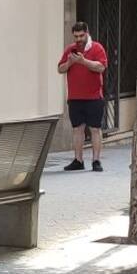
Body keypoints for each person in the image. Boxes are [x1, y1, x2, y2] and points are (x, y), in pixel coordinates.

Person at [58, 21, 109, 171]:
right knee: (77, 129)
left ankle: (96, 161)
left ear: (87, 33)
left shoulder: (97, 48)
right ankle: (78, 160)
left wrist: (83, 61)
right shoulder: (70, 49)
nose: (78, 39)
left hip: (94, 97)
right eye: (76, 36)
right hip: (75, 98)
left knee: (95, 129)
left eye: (81, 36)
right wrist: (69, 63)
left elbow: (101, 67)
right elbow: (60, 69)